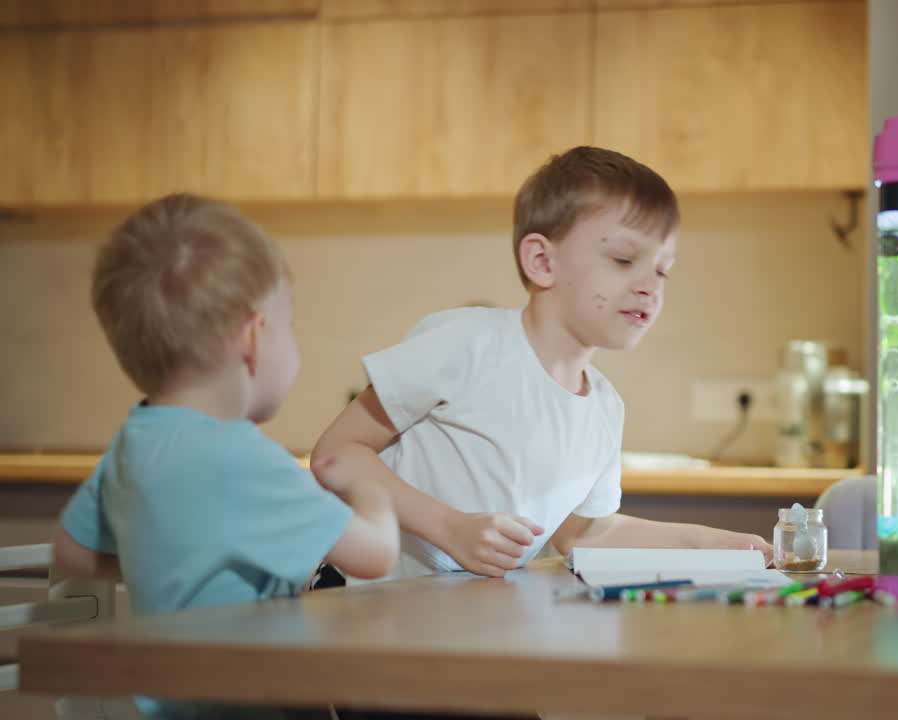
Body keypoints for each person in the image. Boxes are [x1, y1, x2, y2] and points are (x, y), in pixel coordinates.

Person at [313, 146, 771, 581]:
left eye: (662, 269)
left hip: (461, 628)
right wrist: (449, 527)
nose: (650, 285)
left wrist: (709, 542)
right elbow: (337, 455)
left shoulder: (605, 409)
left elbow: (584, 532)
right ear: (540, 261)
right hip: (362, 605)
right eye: (624, 259)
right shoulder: (466, 343)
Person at [53, 193, 400, 720]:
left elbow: (71, 554)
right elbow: (376, 556)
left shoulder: (134, 441)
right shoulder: (249, 460)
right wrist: (368, 485)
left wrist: (174, 559)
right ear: (254, 337)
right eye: (290, 326)